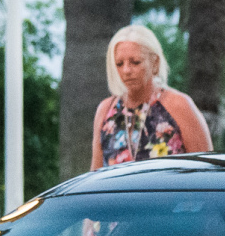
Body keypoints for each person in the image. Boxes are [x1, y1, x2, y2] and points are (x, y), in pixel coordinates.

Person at [90, 24, 212, 170]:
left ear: (155, 62)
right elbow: (95, 173)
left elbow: (206, 170)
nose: (126, 70)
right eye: (119, 64)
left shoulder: (179, 105)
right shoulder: (106, 110)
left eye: (135, 62)